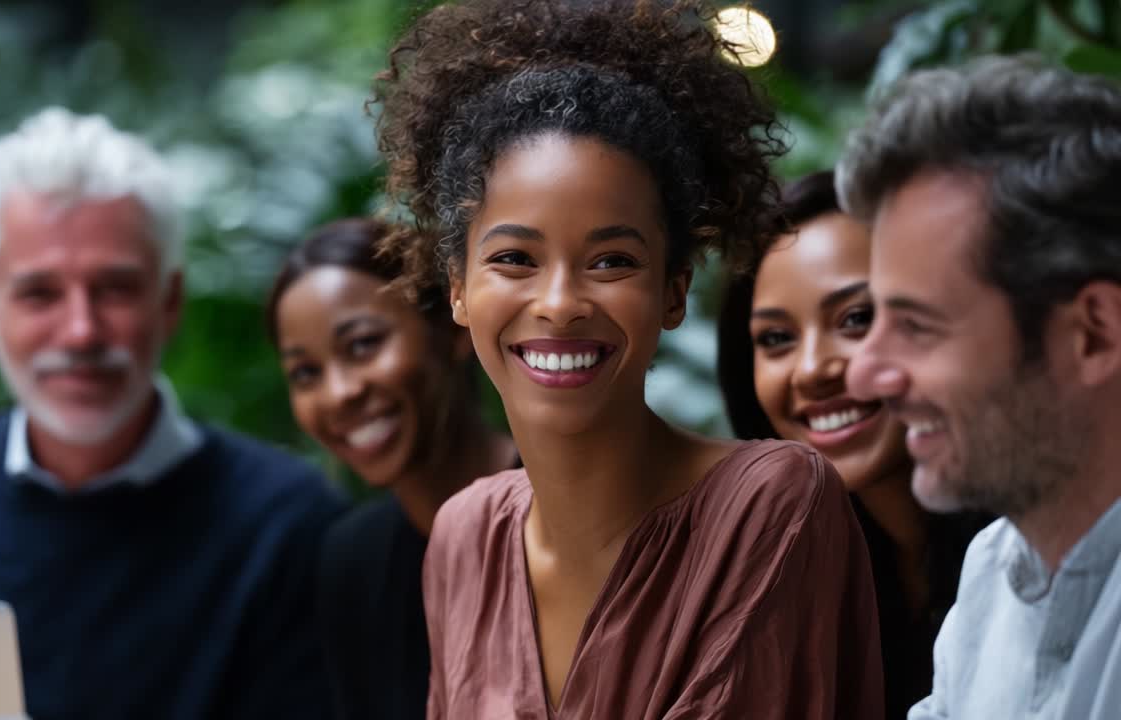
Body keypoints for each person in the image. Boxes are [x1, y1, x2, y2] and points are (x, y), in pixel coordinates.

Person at [372, 1, 885, 717]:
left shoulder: (770, 502)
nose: (560, 302)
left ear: (673, 291)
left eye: (611, 260)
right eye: (515, 258)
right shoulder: (464, 538)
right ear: (458, 288)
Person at [0, 107, 344, 720]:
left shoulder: (286, 525)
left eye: (114, 288)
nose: (80, 330)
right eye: (39, 293)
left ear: (170, 301)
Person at [836, 55, 1121, 720]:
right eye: (871, 317)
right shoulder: (995, 569)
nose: (864, 372)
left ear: (1095, 334)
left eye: (918, 325)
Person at [716, 170, 989, 718]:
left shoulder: (1037, 544)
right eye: (776, 339)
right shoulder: (796, 583)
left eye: (856, 318)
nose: (812, 369)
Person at [266, 217, 518, 720]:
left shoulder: (573, 507)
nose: (340, 393)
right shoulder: (352, 561)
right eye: (306, 373)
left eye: (362, 344)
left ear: (451, 327)